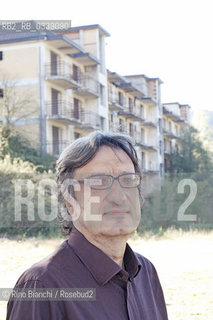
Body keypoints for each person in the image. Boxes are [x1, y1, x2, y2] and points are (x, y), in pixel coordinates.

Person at [7, 131, 168, 320]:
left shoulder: (146, 273)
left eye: (128, 180)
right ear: (69, 200)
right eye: (99, 182)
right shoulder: (41, 286)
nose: (119, 196)